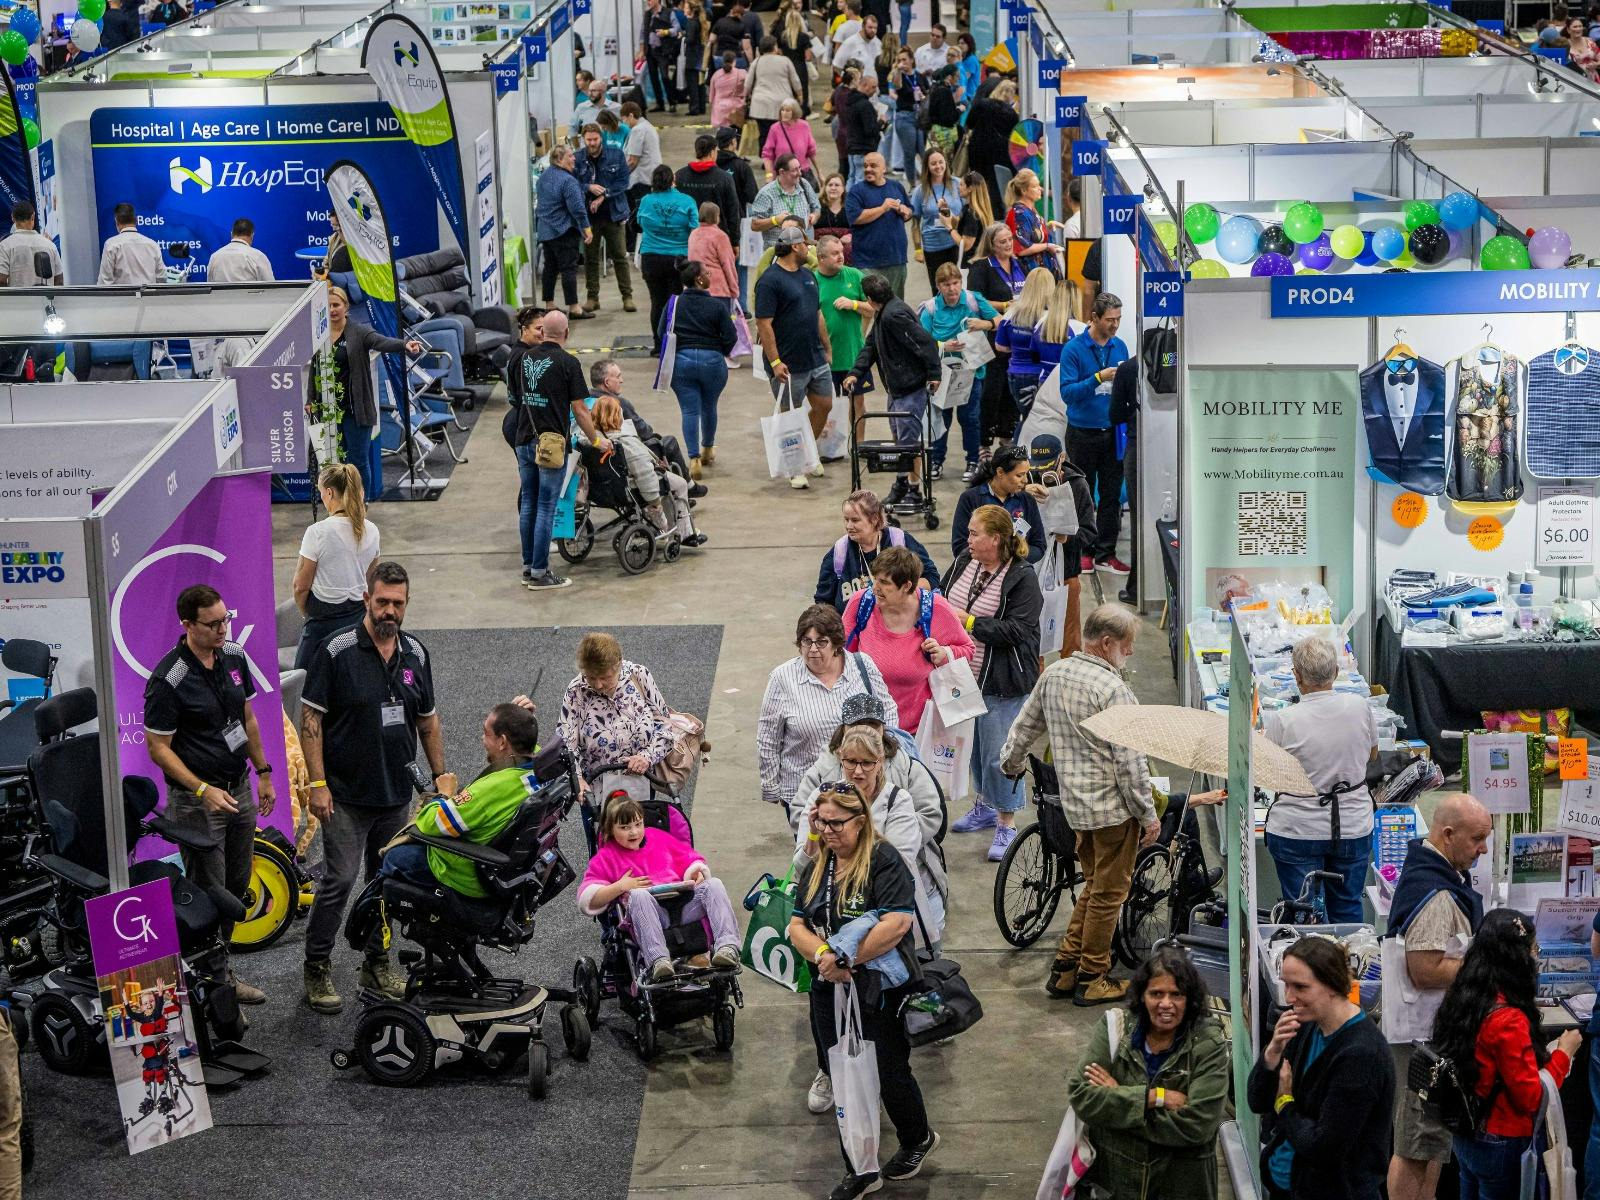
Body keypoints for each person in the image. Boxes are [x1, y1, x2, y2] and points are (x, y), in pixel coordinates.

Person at [300, 561, 446, 1015]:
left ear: (406, 605)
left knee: (386, 881)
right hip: (343, 794)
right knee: (340, 880)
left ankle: (376, 961)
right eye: (381, 601)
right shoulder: (336, 649)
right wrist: (318, 783)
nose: (389, 610)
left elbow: (427, 720)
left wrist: (440, 778)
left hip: (394, 794)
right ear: (366, 599)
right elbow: (311, 721)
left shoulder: (416, 654)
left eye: (397, 603)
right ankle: (317, 964)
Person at [786, 784, 939, 1200]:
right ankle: (861, 1167)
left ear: (861, 820)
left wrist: (845, 961)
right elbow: (796, 924)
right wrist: (823, 955)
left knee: (888, 1070)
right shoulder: (819, 863)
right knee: (844, 1074)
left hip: (877, 988)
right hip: (828, 988)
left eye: (836, 823)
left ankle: (917, 1138)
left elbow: (896, 924)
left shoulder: (884, 859)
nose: (827, 831)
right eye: (820, 822)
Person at [1000, 604, 1157, 1004]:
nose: (1132, 653)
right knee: (1109, 894)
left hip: (1074, 810)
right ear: (1107, 643)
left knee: (1095, 886)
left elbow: (1024, 727)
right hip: (1113, 812)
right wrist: (1148, 814)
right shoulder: (1113, 690)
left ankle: (1065, 968)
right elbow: (1130, 764)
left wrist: (1011, 764)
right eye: (1128, 645)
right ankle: (1092, 975)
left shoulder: (1054, 673)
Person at [142, 584, 276, 1006]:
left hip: (238, 789)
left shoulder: (234, 656)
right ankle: (214, 981)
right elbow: (157, 748)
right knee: (207, 891)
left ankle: (217, 968)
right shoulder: (169, 679)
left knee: (236, 886)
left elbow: (248, 719)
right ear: (187, 625)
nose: (223, 629)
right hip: (198, 801)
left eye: (226, 619)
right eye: (213, 623)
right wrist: (202, 788)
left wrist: (265, 773)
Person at [1383, 792, 1492, 1200]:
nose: (1483, 848)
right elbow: (1424, 969)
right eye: (1477, 838)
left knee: (1432, 1147)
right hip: (1421, 1041)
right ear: (1448, 835)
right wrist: (1485, 965)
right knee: (1415, 1146)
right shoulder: (1437, 892)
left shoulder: (1430, 870)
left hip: (1434, 1035)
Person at [1433, 908, 1581, 1199]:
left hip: (1466, 1134)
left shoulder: (1463, 999)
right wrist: (1563, 1054)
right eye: (1533, 949)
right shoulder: (1509, 1020)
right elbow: (1531, 1098)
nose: (1536, 956)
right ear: (1518, 957)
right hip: (1502, 1140)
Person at [1066, 946, 1231, 1199]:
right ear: (1142, 995)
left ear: (1190, 999)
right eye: (1156, 993)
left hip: (1179, 1187)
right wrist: (1153, 1098)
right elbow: (1081, 1095)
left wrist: (1117, 1105)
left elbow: (1198, 1126)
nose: (1166, 1004)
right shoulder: (1115, 1029)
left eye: (1176, 994)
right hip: (1117, 1185)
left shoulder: (1208, 1045)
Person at [1248, 937, 1395, 1200]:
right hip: (1289, 1185)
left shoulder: (1361, 1055)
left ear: (1332, 985)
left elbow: (1323, 1147)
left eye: (1300, 987)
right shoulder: (1305, 1024)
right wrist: (1272, 1052)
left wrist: (1284, 1103)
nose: (1289, 997)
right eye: (1286, 985)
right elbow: (1257, 1101)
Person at [940, 504, 1043, 860]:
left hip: (1003, 681)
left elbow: (1019, 630)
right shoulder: (961, 564)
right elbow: (942, 602)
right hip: (963, 677)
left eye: (974, 533)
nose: (967, 539)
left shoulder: (1022, 577)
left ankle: (1007, 822)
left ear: (995, 538)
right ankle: (984, 805)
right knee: (975, 748)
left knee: (1002, 754)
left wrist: (968, 623)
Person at [792, 724, 946, 947]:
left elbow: (896, 868)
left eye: (867, 762)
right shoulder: (821, 796)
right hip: (828, 925)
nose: (858, 771)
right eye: (851, 762)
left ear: (880, 761)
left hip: (885, 922)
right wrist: (814, 836)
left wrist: (840, 846)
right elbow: (801, 868)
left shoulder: (897, 801)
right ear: (840, 759)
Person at [378, 702, 539, 897]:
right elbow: (533, 745)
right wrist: (520, 720)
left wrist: (444, 793)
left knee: (394, 857)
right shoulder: (540, 767)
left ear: (503, 742)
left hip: (465, 876)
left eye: (486, 733)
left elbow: (429, 824)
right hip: (507, 870)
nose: (482, 739)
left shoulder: (488, 792)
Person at [757, 605, 898, 817]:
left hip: (860, 788)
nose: (813, 649)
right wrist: (770, 786)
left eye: (821, 642)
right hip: (804, 792)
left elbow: (889, 712)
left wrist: (885, 760)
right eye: (806, 641)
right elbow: (768, 736)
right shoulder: (782, 678)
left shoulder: (862, 666)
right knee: (812, 846)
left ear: (836, 644)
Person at [579, 795, 741, 979]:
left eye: (638, 824)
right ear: (610, 829)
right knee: (639, 895)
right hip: (648, 914)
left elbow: (690, 858)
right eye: (625, 828)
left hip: (682, 905)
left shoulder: (659, 837)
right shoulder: (607, 857)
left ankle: (728, 947)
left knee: (714, 884)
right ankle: (659, 960)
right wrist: (620, 886)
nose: (634, 832)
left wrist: (695, 872)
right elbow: (587, 897)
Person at [505, 308, 609, 590]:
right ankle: (540, 572)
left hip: (524, 438)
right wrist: (598, 440)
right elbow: (581, 409)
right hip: (551, 445)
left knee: (528, 502)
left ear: (543, 331)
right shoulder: (568, 363)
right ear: (565, 333)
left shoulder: (524, 358)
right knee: (545, 507)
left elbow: (515, 397)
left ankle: (528, 567)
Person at [841, 546, 974, 733]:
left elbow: (967, 649)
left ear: (907, 586)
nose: (875, 588)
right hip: (867, 727)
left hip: (917, 732)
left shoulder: (936, 608)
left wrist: (944, 654)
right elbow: (840, 652)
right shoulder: (861, 603)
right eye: (875, 579)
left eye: (884, 583)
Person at [842, 272, 940, 505]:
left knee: (906, 444)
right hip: (897, 388)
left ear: (868, 298)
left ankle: (909, 489)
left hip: (910, 387)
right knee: (903, 441)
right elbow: (871, 347)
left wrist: (935, 374)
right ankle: (908, 486)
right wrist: (856, 372)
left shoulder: (893, 315)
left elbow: (925, 342)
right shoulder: (883, 313)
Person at [322, 286, 424, 501]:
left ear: (346, 307)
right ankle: (340, 507)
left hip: (357, 410)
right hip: (332, 411)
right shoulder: (320, 335)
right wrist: (312, 400)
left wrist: (405, 345)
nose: (332, 310)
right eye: (329, 305)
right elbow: (315, 368)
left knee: (357, 462)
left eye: (336, 305)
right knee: (336, 464)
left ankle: (361, 504)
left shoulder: (358, 332)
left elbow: (382, 341)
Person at [754, 225, 835, 491]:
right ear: (794, 247)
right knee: (791, 416)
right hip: (788, 363)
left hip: (815, 358)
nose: (809, 248)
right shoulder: (769, 281)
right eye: (805, 244)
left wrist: (827, 347)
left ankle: (807, 452)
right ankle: (795, 466)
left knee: (824, 405)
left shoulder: (808, 276)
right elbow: (764, 324)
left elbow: (817, 314)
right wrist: (775, 361)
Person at [1062, 292, 1132, 575]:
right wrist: (1097, 378)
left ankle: (1106, 552)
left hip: (1113, 433)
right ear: (1094, 318)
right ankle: (1084, 552)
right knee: (1083, 495)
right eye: (1109, 320)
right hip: (1082, 433)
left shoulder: (1121, 347)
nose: (1114, 325)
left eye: (1118, 319)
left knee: (1112, 495)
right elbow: (1068, 393)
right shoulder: (1074, 350)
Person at [556, 632, 678, 787]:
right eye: (591, 677)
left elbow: (665, 726)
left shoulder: (639, 675)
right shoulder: (576, 690)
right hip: (597, 789)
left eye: (605, 677)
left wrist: (646, 757)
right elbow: (565, 742)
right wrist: (577, 779)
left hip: (640, 784)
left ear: (619, 664)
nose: (598, 685)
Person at [292, 463, 379, 669]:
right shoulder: (372, 530)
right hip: (358, 619)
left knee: (302, 683)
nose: (322, 498)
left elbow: (300, 587)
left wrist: (308, 615)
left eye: (321, 493)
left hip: (322, 623)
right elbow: (371, 579)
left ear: (330, 492)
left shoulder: (317, 532)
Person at [919, 261, 998, 481]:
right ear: (938, 287)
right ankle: (936, 459)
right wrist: (943, 345)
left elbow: (1000, 321)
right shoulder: (931, 309)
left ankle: (973, 461)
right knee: (941, 418)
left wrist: (984, 324)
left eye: (955, 283)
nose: (952, 289)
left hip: (972, 372)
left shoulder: (973, 300)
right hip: (942, 374)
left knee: (970, 418)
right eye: (946, 285)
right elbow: (921, 342)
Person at [593, 394, 705, 547]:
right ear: (617, 416)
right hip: (632, 486)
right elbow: (645, 475)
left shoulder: (592, 441)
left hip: (603, 488)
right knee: (678, 485)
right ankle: (683, 532)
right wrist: (655, 502)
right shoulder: (627, 444)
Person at [1026, 434, 1096, 659]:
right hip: (1032, 575)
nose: (1043, 473)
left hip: (1066, 575)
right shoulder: (1025, 482)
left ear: (1062, 458)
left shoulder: (1077, 484)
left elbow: (1089, 532)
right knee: (1032, 643)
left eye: (1049, 467)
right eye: (1037, 468)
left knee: (1070, 641)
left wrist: (1068, 539)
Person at [665, 259, 737, 475]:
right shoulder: (717, 305)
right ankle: (707, 449)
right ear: (699, 279)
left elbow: (662, 333)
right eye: (707, 273)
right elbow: (731, 336)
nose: (710, 275)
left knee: (689, 410)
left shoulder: (674, 303)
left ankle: (693, 458)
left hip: (682, 362)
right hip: (713, 361)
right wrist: (719, 351)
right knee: (709, 406)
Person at [815, 488, 940, 610]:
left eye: (855, 520)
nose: (849, 526)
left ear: (874, 519)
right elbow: (823, 603)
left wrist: (901, 592)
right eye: (846, 520)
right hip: (853, 629)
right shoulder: (839, 553)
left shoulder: (900, 541)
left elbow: (931, 577)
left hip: (898, 624)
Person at [635, 164, 699, 355]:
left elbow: (639, 223)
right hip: (678, 259)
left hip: (651, 257)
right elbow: (694, 228)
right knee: (675, 302)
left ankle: (658, 343)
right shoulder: (687, 201)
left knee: (657, 302)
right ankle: (675, 342)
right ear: (673, 180)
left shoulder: (646, 200)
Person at [573, 124, 635, 315]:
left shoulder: (616, 155)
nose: (592, 143)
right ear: (584, 139)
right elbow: (573, 182)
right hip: (589, 218)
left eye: (595, 139)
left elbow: (624, 182)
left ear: (602, 138)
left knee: (619, 256)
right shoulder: (578, 158)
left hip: (613, 214)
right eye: (588, 140)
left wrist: (604, 195)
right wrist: (588, 188)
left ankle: (627, 296)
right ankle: (593, 298)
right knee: (591, 258)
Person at [952, 444, 1047, 564]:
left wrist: (1012, 562)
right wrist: (993, 561)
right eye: (1019, 475)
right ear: (1000, 472)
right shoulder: (971, 499)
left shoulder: (1027, 500)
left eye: (1026, 474)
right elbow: (959, 547)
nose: (1026, 481)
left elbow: (1039, 546)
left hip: (1017, 573)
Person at [536, 145, 593, 323]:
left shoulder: (543, 177)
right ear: (559, 159)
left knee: (550, 269)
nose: (574, 158)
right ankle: (574, 308)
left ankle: (549, 305)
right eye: (570, 156)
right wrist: (586, 229)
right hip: (563, 230)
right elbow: (577, 208)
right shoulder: (568, 181)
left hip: (545, 230)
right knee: (569, 269)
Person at [995, 267, 1056, 431]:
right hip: (1043, 375)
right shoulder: (1051, 318)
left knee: (1026, 418)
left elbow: (1000, 346)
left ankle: (1021, 453)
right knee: (1041, 423)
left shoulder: (1011, 314)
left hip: (1016, 373)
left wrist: (1017, 349)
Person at [814, 234, 869, 404]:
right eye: (834, 253)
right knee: (825, 408)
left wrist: (853, 304)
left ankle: (856, 433)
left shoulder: (855, 275)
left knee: (857, 406)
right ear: (821, 258)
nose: (841, 256)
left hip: (852, 355)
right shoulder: (811, 281)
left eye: (841, 251)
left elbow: (873, 309)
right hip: (824, 359)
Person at [846, 153, 911, 298]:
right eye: (865, 166)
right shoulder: (856, 191)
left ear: (884, 168)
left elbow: (909, 210)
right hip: (868, 263)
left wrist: (905, 211)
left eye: (873, 166)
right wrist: (883, 208)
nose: (868, 169)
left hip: (896, 259)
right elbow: (855, 217)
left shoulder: (896, 187)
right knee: (869, 307)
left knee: (894, 307)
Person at [675, 133, 742, 259]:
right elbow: (733, 212)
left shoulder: (680, 175)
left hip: (687, 239)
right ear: (712, 153)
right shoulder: (725, 178)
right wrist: (735, 241)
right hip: (717, 239)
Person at [749, 154, 821, 256]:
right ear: (782, 172)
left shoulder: (804, 184)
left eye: (799, 168)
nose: (799, 173)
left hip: (804, 251)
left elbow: (816, 207)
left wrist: (815, 216)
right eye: (794, 170)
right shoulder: (766, 193)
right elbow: (754, 225)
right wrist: (774, 220)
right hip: (779, 254)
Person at [910, 148, 961, 290]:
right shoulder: (920, 191)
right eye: (933, 164)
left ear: (946, 162)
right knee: (939, 288)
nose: (938, 166)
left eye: (940, 162)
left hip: (955, 243)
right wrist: (918, 249)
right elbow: (915, 224)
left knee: (958, 286)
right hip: (933, 247)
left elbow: (966, 214)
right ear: (927, 166)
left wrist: (950, 216)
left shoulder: (957, 184)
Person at [967, 80, 1020, 213]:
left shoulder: (982, 104)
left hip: (977, 150)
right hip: (1001, 153)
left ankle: (976, 211)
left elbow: (970, 123)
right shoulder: (1011, 113)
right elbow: (1014, 134)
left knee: (978, 182)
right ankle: (995, 214)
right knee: (996, 185)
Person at [744, 35, 803, 151]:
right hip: (782, 103)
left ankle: (766, 158)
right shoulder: (785, 61)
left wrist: (745, 97)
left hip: (760, 103)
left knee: (764, 132)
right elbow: (795, 80)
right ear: (774, 47)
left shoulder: (756, 62)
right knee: (781, 131)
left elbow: (748, 84)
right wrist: (800, 95)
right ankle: (779, 154)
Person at [1006, 168, 1062, 278]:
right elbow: (1021, 249)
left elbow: (1033, 235)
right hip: (1031, 274)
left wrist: (1047, 227)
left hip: (1042, 271)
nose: (1040, 189)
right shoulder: (1020, 213)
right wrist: (1047, 246)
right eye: (1035, 186)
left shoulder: (1030, 210)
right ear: (1024, 191)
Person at [687, 200, 740, 308]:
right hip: (717, 290)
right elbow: (728, 265)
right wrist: (734, 291)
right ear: (716, 217)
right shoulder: (720, 236)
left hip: (696, 287)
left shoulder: (693, 234)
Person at [622, 100, 662, 238]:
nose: (624, 123)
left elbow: (633, 161)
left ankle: (631, 246)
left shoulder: (638, 130)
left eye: (625, 119)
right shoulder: (648, 126)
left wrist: (620, 177)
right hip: (650, 178)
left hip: (640, 180)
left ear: (631, 115)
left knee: (635, 217)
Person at [97, 202, 164, 285]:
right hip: (149, 296)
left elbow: (104, 282)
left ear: (116, 221)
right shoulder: (153, 245)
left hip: (123, 297)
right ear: (136, 220)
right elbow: (162, 278)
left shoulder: (111, 245)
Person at [885, 46, 923, 182]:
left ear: (912, 60)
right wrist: (898, 70)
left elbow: (927, 91)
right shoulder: (898, 76)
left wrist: (923, 96)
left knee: (923, 151)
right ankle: (912, 184)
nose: (902, 62)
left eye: (905, 59)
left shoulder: (919, 76)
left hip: (919, 116)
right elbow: (896, 85)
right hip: (905, 117)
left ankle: (927, 183)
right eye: (899, 60)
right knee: (910, 153)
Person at [841, 70, 885, 187]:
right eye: (873, 87)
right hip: (863, 148)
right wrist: (881, 122)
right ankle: (857, 203)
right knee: (860, 179)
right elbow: (870, 130)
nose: (875, 90)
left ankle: (848, 202)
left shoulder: (850, 101)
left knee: (852, 177)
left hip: (851, 146)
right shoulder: (865, 105)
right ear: (864, 86)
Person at [763, 99, 820, 185]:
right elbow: (767, 155)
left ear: (795, 112)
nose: (784, 113)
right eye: (782, 110)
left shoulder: (804, 126)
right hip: (782, 176)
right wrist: (769, 175)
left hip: (801, 174)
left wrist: (819, 173)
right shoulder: (775, 129)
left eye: (788, 110)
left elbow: (811, 152)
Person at [772, 0, 812, 116]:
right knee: (801, 97)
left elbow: (778, 53)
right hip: (800, 69)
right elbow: (808, 57)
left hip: (786, 69)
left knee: (787, 96)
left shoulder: (782, 37)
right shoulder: (804, 37)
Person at [205, 217, 273, 283]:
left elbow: (210, 288)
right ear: (252, 236)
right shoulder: (257, 256)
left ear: (231, 234)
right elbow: (270, 287)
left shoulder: (215, 257)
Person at [642, 0, 680, 113]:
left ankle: (672, 102)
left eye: (650, 0)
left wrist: (665, 32)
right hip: (650, 50)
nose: (648, 2)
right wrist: (641, 50)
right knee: (653, 78)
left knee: (665, 77)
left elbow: (677, 29)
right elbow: (643, 32)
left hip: (663, 51)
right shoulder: (647, 14)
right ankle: (660, 104)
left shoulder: (668, 12)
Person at [923, 64, 963, 163]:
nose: (958, 79)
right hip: (944, 135)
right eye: (957, 76)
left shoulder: (935, 88)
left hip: (935, 131)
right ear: (949, 77)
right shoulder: (945, 91)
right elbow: (948, 117)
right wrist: (959, 110)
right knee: (944, 164)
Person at [955, 171, 994, 269]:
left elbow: (966, 245)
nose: (958, 187)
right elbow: (959, 223)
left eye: (961, 184)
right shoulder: (972, 209)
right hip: (983, 260)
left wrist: (949, 229)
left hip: (972, 264)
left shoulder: (972, 214)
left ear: (970, 188)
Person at [815, 174, 854, 262]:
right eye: (830, 185)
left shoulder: (851, 208)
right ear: (825, 187)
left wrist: (851, 235)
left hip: (847, 251)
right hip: (821, 249)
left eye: (837, 185)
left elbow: (859, 228)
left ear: (843, 188)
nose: (833, 188)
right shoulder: (816, 207)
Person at [835, 11, 883, 81]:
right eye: (870, 27)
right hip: (856, 88)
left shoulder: (878, 43)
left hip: (874, 87)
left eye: (875, 28)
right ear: (863, 27)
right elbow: (837, 65)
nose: (873, 30)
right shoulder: (850, 42)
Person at [707, 51, 747, 128]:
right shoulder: (741, 73)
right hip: (735, 109)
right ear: (734, 61)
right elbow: (748, 87)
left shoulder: (716, 75)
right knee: (736, 134)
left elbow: (711, 98)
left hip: (719, 110)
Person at [955, 32, 980, 114]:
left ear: (969, 44)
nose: (960, 45)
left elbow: (964, 78)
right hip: (962, 95)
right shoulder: (962, 59)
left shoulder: (972, 59)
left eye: (963, 43)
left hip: (969, 97)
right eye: (959, 43)